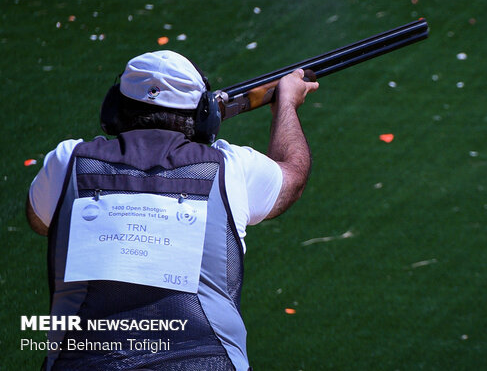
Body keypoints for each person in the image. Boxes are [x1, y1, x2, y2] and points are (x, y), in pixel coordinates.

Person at [26, 50, 319, 371]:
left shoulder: (67, 160)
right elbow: (292, 174)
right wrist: (286, 104)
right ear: (205, 115)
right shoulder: (231, 167)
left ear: (114, 107)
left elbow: (40, 219)